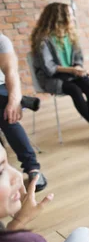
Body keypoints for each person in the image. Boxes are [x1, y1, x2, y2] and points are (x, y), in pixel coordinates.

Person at [31, 3, 89, 143]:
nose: (73, 17)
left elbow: (78, 57)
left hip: (71, 73)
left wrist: (77, 66)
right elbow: (49, 68)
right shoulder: (43, 39)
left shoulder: (70, 34)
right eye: (70, 14)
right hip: (52, 77)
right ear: (60, 17)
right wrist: (72, 70)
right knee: (75, 91)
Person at [0, 33, 47, 191]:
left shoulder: (1, 40)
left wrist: (13, 100)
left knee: (7, 115)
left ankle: (32, 168)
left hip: (1, 87)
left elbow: (11, 72)